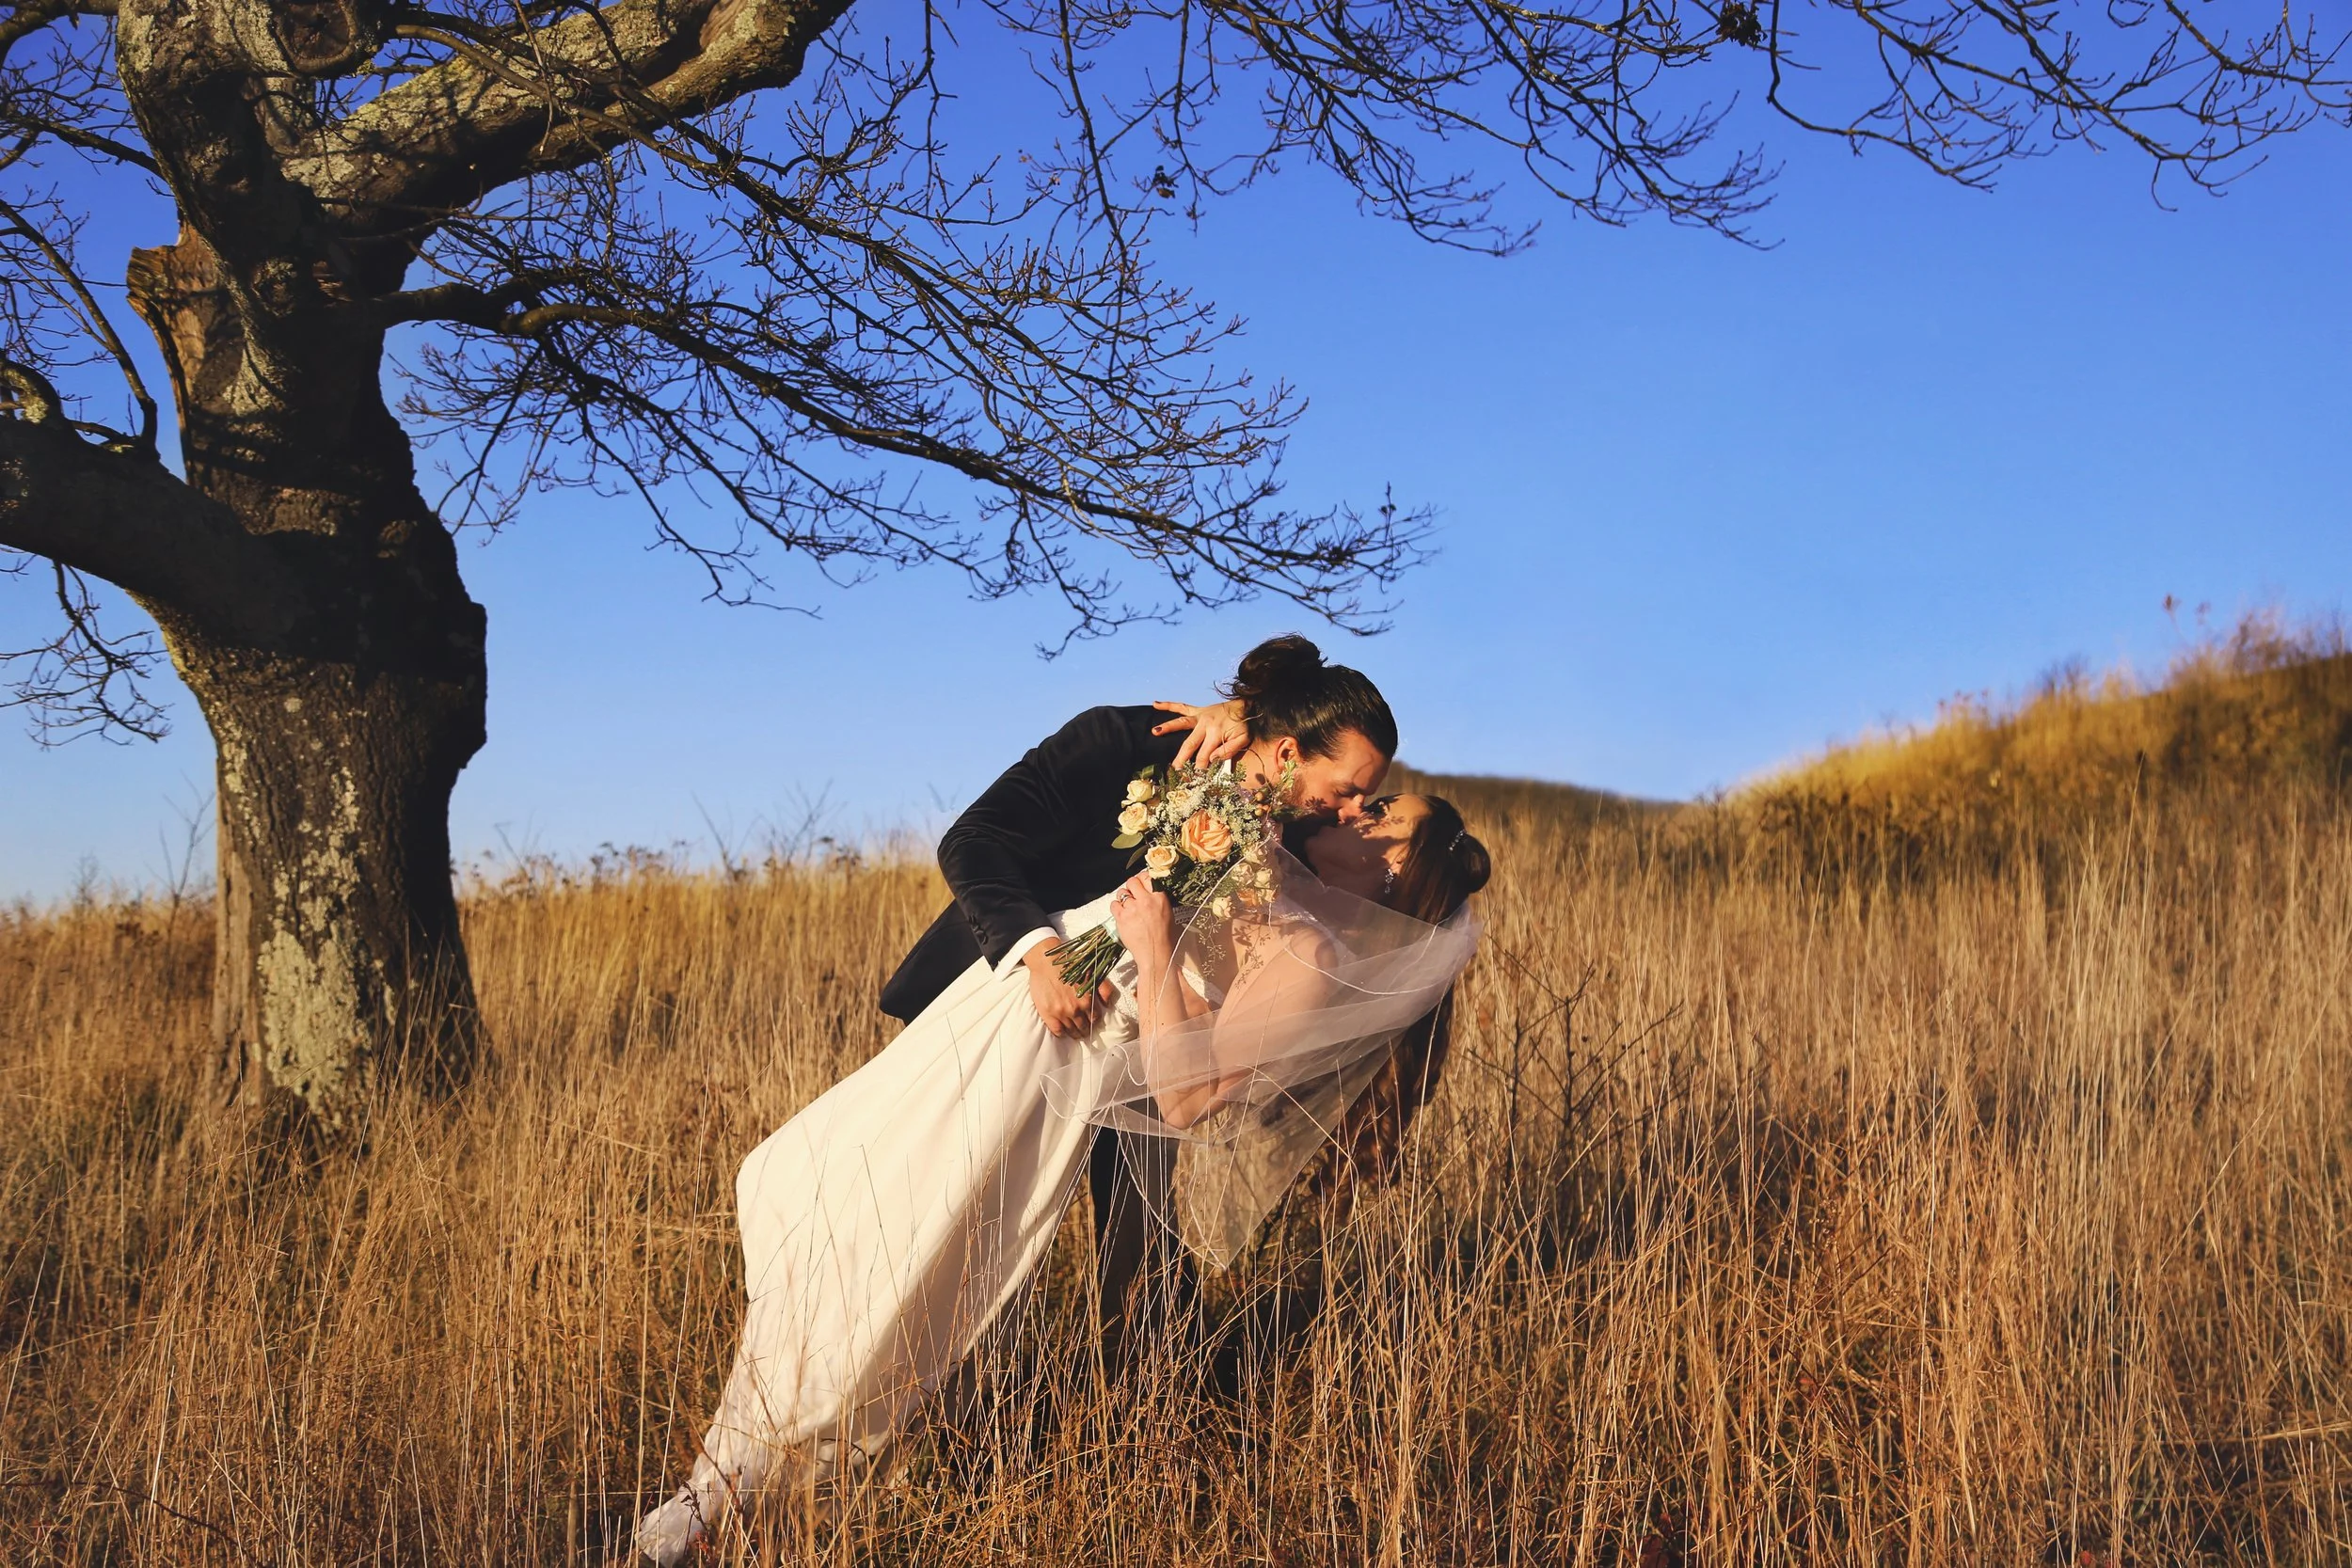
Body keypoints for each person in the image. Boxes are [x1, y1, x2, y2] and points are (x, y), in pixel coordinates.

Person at [629, 732, 1488, 1567]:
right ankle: (741, 1472)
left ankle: (734, 1488)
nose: (1357, 814)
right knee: (820, 1183)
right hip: (1002, 1011)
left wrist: (1154, 949)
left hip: (1045, 1069)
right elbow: (1271, 742)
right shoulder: (1261, 861)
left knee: (897, 1253)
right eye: (1363, 798)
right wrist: (1230, 726)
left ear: (1392, 874)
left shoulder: (1308, 957)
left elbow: (1187, 1093)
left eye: (1381, 819)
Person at [875, 634, 1401, 1343]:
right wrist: (1041, 955)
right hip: (1004, 1013)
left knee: (1141, 1231)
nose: (1349, 810)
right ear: (1288, 753)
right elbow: (974, 839)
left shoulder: (1294, 832)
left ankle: (1155, 1403)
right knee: (945, 1222)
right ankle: (948, 1391)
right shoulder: (1123, 742)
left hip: (1143, 1053)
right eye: (1347, 789)